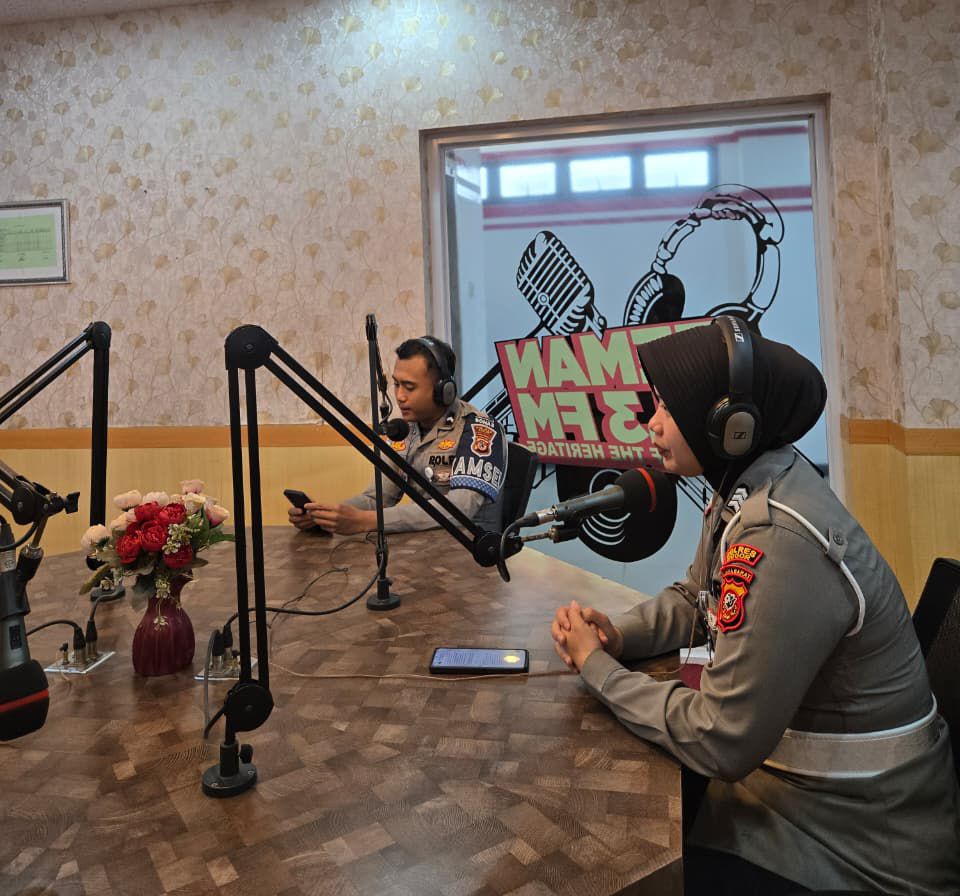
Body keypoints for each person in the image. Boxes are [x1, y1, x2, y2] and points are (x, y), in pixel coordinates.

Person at [550, 317, 960, 896]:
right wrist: (619, 636)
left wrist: (598, 669)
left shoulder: (777, 538)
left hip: (858, 848)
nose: (652, 423)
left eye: (668, 408)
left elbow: (721, 738)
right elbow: (698, 597)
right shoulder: (750, 485)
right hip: (801, 803)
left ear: (729, 427)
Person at [288, 335, 507, 536]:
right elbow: (377, 498)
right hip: (426, 546)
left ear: (444, 390)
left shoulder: (480, 430)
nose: (400, 396)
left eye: (409, 387)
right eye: (396, 384)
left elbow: (460, 509)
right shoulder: (405, 429)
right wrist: (328, 516)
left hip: (471, 553)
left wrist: (368, 521)